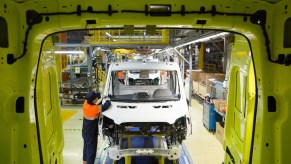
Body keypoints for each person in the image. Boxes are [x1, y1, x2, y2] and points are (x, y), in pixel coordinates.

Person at [82, 91, 111, 164]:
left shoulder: (85, 103)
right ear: (93, 100)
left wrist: (100, 95)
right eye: (96, 99)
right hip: (91, 133)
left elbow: (96, 99)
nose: (97, 99)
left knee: (86, 147)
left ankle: (84, 161)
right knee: (91, 150)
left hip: (85, 131)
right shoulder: (95, 109)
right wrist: (108, 99)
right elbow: (107, 105)